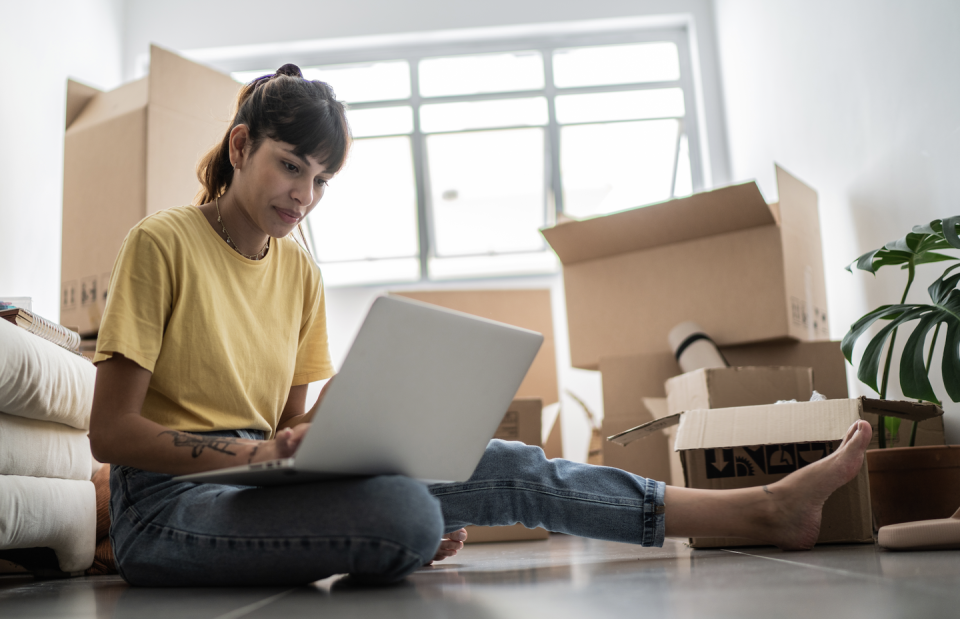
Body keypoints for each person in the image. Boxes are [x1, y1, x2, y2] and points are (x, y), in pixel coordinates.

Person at [88, 64, 873, 588]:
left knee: (511, 464)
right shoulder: (162, 244)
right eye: (291, 165)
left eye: (322, 179)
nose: (305, 194)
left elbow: (291, 429)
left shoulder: (301, 274)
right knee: (405, 513)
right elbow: (111, 434)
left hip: (256, 485)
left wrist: (330, 436)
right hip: (163, 508)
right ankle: (388, 529)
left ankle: (764, 508)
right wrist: (262, 451)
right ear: (240, 146)